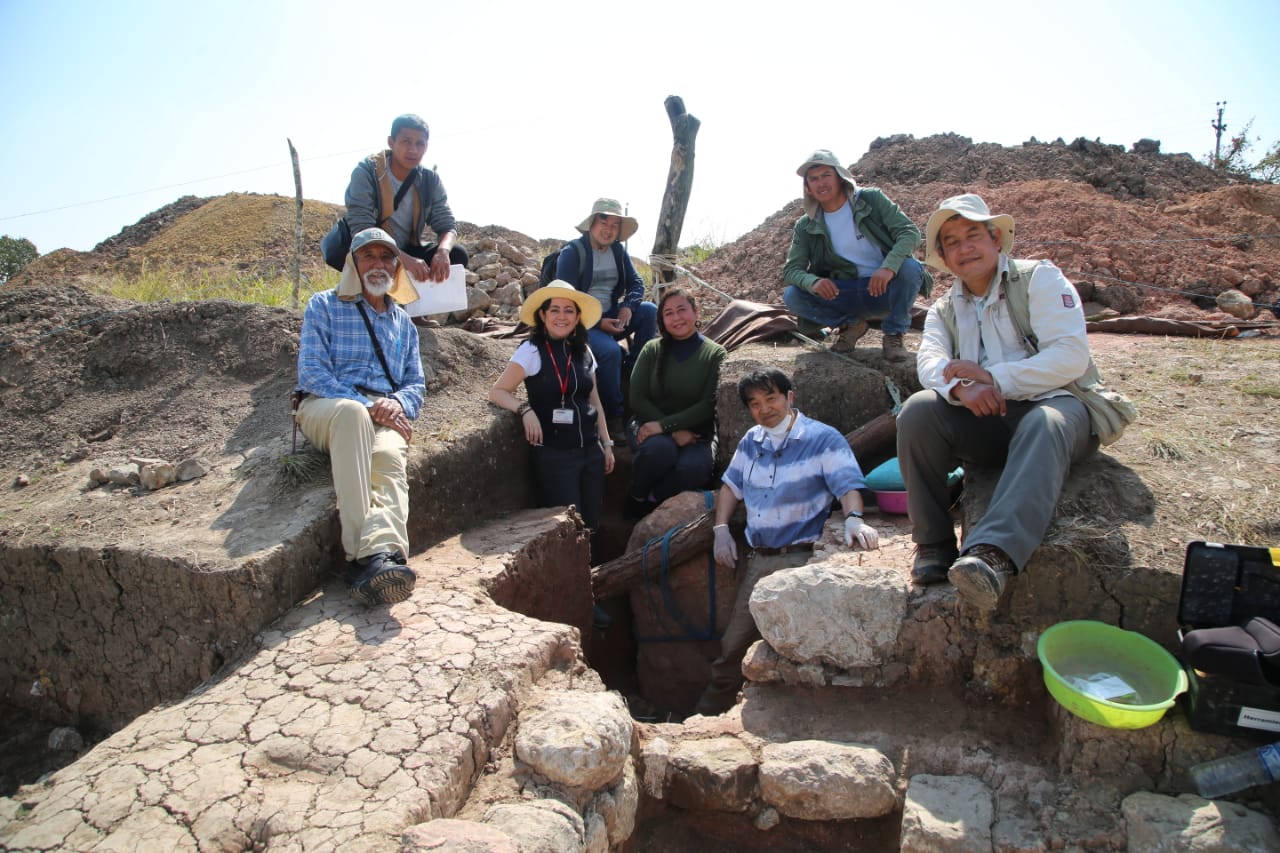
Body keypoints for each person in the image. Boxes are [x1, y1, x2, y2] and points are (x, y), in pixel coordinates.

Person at [898, 194, 1098, 612]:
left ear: (995, 239)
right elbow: (930, 363)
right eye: (951, 242)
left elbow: (1069, 357)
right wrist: (961, 391)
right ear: (945, 257)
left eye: (972, 235)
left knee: (1045, 423)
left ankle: (992, 556)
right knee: (918, 410)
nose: (963, 248)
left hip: (1057, 408)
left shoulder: (1039, 280)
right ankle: (933, 544)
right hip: (989, 421)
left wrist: (993, 378)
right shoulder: (943, 308)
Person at [694, 368, 880, 715]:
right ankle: (707, 718)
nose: (765, 409)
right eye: (755, 403)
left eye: (772, 398)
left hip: (800, 562)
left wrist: (854, 518)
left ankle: (796, 719)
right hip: (758, 561)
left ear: (789, 397)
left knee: (795, 649)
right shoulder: (752, 440)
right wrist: (720, 528)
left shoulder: (823, 439)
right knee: (733, 647)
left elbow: (847, 485)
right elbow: (732, 487)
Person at [296, 227, 424, 606]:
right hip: (328, 407)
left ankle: (383, 555)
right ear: (353, 263)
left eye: (386, 257)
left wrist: (397, 404)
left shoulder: (404, 322)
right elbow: (313, 373)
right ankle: (361, 555)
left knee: (386, 456)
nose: (378, 264)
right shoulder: (324, 304)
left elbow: (415, 382)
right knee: (352, 415)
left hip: (383, 410)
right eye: (368, 255)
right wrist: (368, 405)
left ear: (396, 266)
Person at [489, 280, 616, 542]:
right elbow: (498, 391)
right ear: (543, 315)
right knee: (568, 529)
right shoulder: (531, 350)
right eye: (555, 309)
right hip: (556, 457)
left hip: (591, 452)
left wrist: (607, 443)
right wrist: (524, 410)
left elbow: (595, 402)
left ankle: (589, 576)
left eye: (569, 310)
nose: (562, 316)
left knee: (592, 522)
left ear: (578, 316)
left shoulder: (584, 350)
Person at [782, 149, 931, 362]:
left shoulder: (870, 200)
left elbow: (909, 233)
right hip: (845, 293)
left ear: (840, 178)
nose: (821, 183)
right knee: (792, 295)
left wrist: (888, 268)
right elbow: (791, 270)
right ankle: (850, 324)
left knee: (910, 268)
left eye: (826, 175)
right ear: (808, 187)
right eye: (814, 179)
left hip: (884, 289)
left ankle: (893, 334)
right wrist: (813, 282)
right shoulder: (806, 225)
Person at [624, 286, 727, 519]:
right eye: (668, 313)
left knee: (694, 468)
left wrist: (667, 427)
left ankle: (654, 500)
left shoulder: (715, 354)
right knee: (659, 450)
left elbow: (708, 405)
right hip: (648, 425)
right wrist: (671, 431)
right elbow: (637, 398)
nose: (676, 317)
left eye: (682, 310)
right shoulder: (652, 349)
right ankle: (636, 496)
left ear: (696, 311)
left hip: (697, 434)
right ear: (662, 320)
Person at [556, 198, 658, 427]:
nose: (609, 230)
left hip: (610, 313)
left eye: (615, 225)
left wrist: (627, 307)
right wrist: (598, 322)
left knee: (649, 311)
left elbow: (636, 283)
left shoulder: (618, 252)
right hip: (580, 322)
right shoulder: (573, 252)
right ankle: (614, 416)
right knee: (611, 351)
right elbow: (565, 300)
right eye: (604, 222)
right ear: (592, 223)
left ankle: (633, 372)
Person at [343, 113, 467, 283]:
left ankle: (426, 306)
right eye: (406, 142)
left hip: (408, 248)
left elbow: (447, 225)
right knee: (375, 257)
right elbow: (363, 230)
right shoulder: (368, 172)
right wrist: (403, 259)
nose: (413, 150)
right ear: (391, 142)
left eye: (419, 144)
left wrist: (443, 252)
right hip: (373, 249)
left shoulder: (429, 180)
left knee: (457, 254)